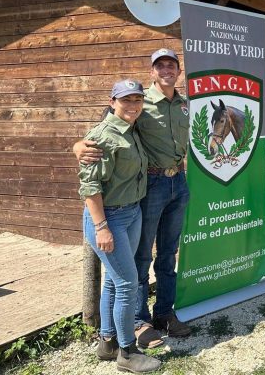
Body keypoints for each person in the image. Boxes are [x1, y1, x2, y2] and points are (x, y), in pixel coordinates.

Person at [74, 49, 191, 347]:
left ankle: (164, 313)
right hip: (151, 185)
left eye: (171, 65)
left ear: (178, 71)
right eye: (160, 66)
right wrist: (78, 146)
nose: (166, 70)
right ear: (152, 72)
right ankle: (139, 321)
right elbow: (103, 131)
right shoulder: (138, 102)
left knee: (169, 253)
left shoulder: (183, 105)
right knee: (141, 256)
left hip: (178, 181)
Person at [79, 79, 161, 373]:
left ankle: (108, 343)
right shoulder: (102, 136)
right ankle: (127, 352)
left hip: (132, 213)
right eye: (126, 100)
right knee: (127, 283)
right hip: (110, 218)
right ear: (112, 102)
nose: (133, 105)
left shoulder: (131, 129)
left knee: (115, 281)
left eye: (137, 99)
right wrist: (101, 227)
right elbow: (89, 186)